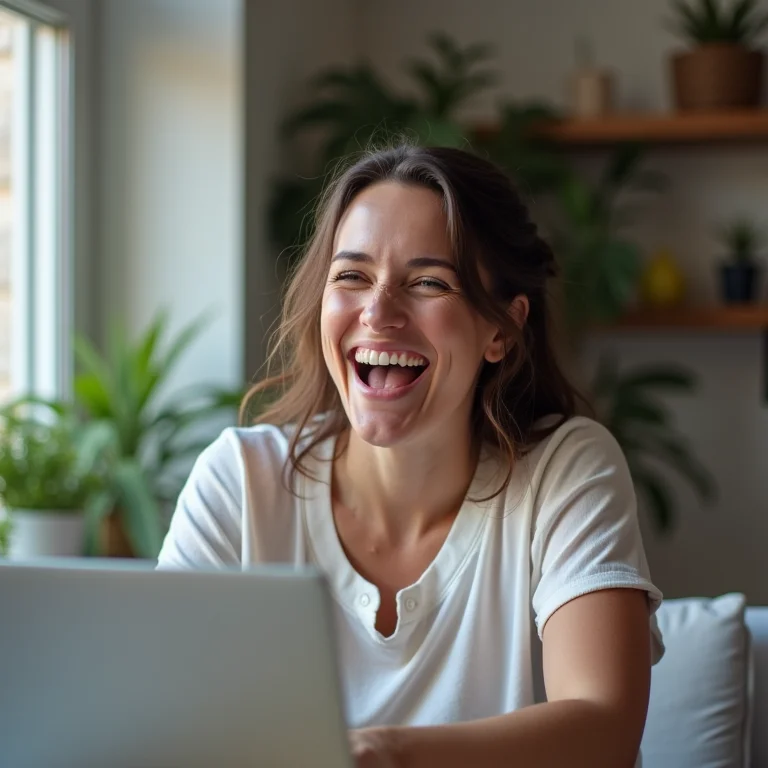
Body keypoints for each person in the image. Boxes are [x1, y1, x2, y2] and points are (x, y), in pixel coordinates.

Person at [158, 144, 663, 768]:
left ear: (502, 329)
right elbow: (167, 725)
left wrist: (383, 756)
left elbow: (603, 728)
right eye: (352, 276)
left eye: (428, 282)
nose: (378, 312)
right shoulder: (239, 481)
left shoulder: (566, 469)